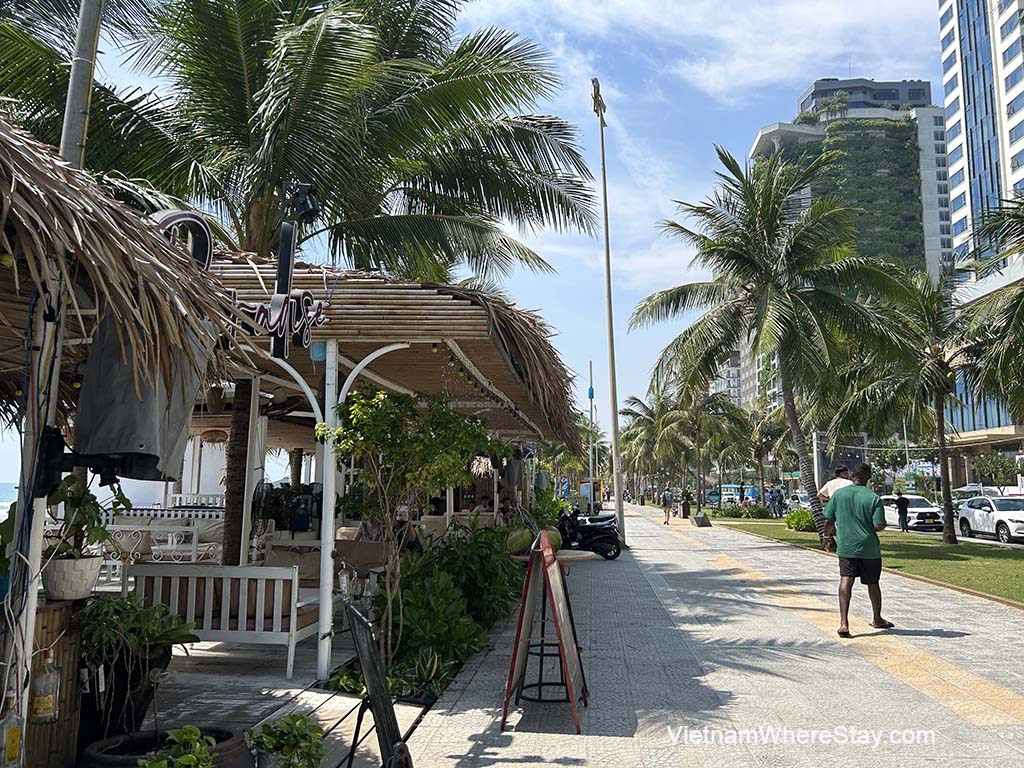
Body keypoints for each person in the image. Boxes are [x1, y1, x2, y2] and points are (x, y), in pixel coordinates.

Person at [822, 463, 894, 638]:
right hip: (869, 548)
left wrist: (826, 537)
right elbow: (878, 525)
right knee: (873, 583)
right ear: (868, 477)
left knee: (846, 580)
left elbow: (829, 521)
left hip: (847, 546)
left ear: (852, 476)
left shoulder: (839, 495)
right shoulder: (873, 498)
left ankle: (843, 623)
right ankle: (877, 619)